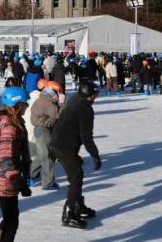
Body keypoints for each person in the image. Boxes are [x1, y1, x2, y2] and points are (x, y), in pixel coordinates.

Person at [50, 82, 101, 229]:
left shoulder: (74, 99)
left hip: (59, 142)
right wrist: (95, 155)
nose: (96, 97)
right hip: (63, 146)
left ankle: (79, 206)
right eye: (95, 94)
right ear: (91, 96)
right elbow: (86, 136)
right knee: (76, 178)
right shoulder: (85, 109)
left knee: (76, 175)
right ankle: (69, 214)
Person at [0, 86, 32, 242]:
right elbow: (6, 159)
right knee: (12, 221)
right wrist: (19, 182)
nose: (27, 107)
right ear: (17, 105)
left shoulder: (5, 119)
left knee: (9, 217)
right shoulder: (9, 127)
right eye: (25, 104)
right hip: (4, 180)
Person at [30, 81, 62, 190]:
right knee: (48, 156)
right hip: (44, 131)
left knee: (41, 155)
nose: (59, 95)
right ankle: (48, 183)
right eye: (58, 93)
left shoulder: (40, 99)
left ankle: (30, 176)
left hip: (38, 130)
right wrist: (61, 104)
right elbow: (58, 117)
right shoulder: (50, 104)